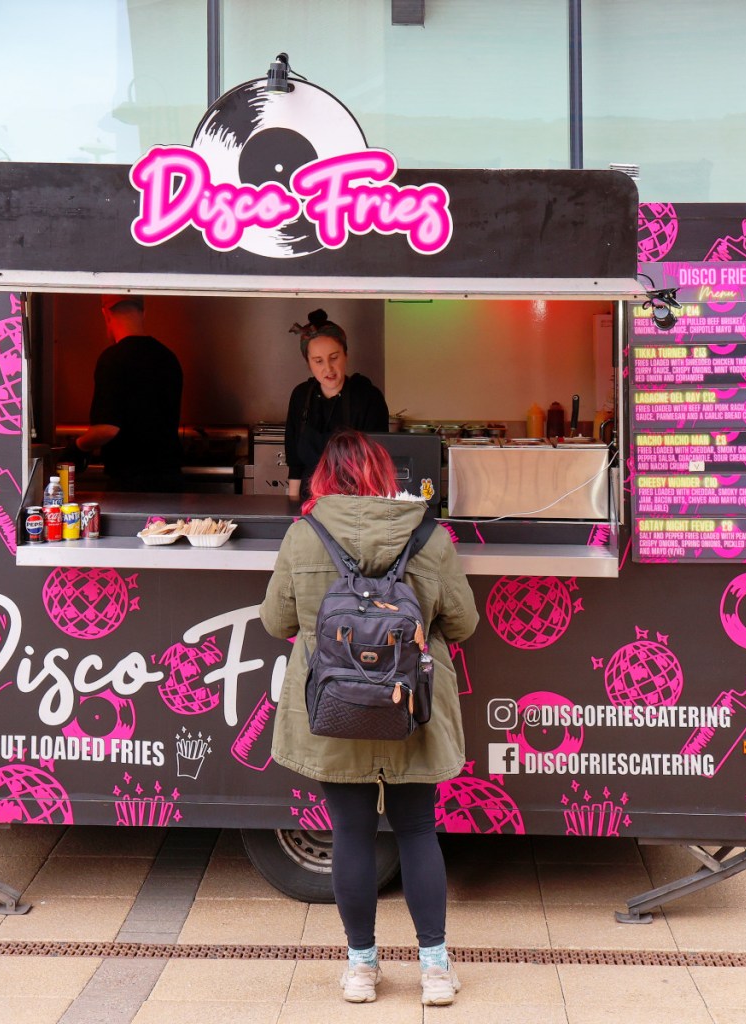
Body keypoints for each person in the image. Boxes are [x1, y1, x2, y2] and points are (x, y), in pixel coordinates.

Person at [259, 429, 479, 1006]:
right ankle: (434, 971)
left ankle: (361, 969)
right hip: (414, 707)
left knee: (352, 833)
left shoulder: (304, 536)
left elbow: (275, 619)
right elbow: (462, 624)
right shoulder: (430, 536)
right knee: (416, 830)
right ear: (387, 474)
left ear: (323, 479)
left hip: (334, 707)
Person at [63, 295, 184, 492]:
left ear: (106, 313)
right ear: (144, 312)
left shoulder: (113, 359)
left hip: (131, 485)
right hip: (170, 482)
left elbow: (107, 428)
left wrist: (78, 447)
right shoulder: (168, 357)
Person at [284, 309, 389, 500]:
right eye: (318, 361)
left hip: (356, 505)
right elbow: (295, 466)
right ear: (308, 363)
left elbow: (377, 467)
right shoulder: (300, 396)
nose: (328, 369)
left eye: (334, 358)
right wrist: (292, 510)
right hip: (309, 505)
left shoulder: (368, 398)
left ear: (346, 355)